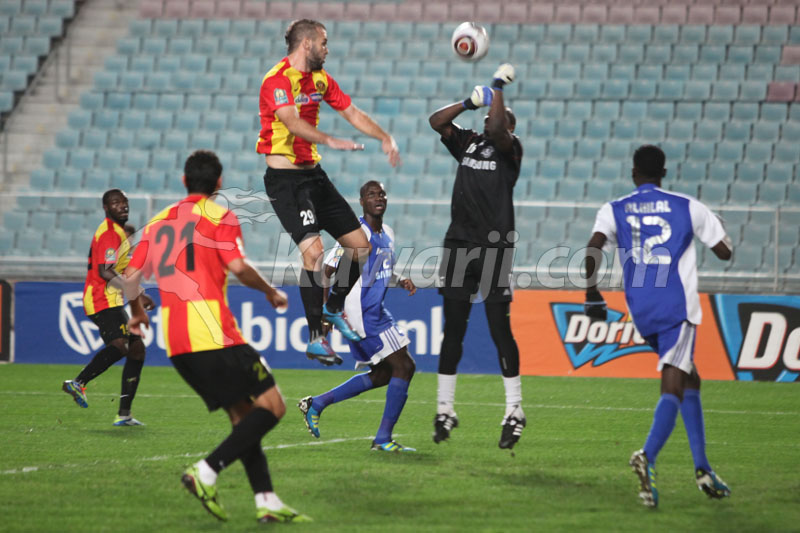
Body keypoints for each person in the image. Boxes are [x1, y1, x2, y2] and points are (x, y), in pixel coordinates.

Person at [123, 150, 310, 523]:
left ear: (184, 181)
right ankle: (206, 471)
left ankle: (267, 500)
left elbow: (130, 278)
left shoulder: (159, 222)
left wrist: (138, 313)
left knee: (244, 418)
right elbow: (239, 267)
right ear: (219, 183)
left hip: (177, 344)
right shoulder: (219, 216)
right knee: (273, 406)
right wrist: (271, 291)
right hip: (214, 334)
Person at [584, 144, 733, 508]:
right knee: (673, 378)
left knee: (689, 377)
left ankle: (702, 468)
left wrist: (592, 295)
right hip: (676, 308)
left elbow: (593, 247)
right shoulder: (686, 205)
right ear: (663, 173)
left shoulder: (614, 208)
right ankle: (646, 456)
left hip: (641, 311)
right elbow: (724, 251)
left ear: (634, 173)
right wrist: (719, 230)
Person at [257, 18, 400, 366]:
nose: (327, 49)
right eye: (323, 42)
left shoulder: (320, 79)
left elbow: (350, 111)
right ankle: (316, 338)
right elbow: (290, 121)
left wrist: (383, 136)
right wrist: (329, 140)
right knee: (315, 255)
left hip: (315, 177)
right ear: (306, 44)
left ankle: (333, 309)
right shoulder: (276, 80)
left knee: (360, 248)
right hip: (286, 182)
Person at [427, 64, 526, 450]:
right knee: (453, 330)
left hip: (495, 247)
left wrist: (498, 87)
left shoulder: (510, 149)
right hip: (458, 245)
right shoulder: (468, 142)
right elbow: (436, 122)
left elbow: (500, 129)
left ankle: (514, 410)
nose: (489, 120)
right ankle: (444, 409)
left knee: (500, 330)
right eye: (485, 117)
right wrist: (470, 101)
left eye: (495, 117)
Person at [297, 181, 418, 452]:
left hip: (376, 310)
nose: (379, 197)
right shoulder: (356, 233)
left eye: (382, 193)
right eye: (372, 194)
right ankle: (383, 439)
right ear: (361, 201)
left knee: (384, 373)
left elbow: (378, 268)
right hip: (359, 312)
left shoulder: (387, 232)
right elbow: (328, 271)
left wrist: (400, 280)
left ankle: (318, 403)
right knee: (404, 367)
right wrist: (327, 313)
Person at [62, 189, 154, 426]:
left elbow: (119, 271)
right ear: (106, 208)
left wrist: (140, 294)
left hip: (111, 300)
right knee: (120, 346)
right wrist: (134, 293)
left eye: (124, 202)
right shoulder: (109, 233)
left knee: (136, 350)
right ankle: (78, 382)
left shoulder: (119, 234)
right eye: (115, 203)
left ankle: (124, 414)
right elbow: (105, 271)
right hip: (100, 300)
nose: (122, 206)